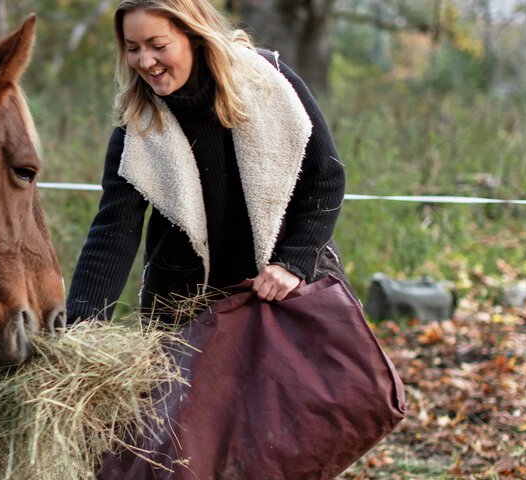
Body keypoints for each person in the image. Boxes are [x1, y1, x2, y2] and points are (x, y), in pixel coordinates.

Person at [66, 0, 351, 323]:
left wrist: (294, 262)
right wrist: (79, 331)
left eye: (158, 45)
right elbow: (114, 231)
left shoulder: (268, 81)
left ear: (194, 35)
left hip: (285, 297)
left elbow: (325, 178)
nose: (145, 61)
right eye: (133, 48)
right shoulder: (137, 126)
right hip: (186, 316)